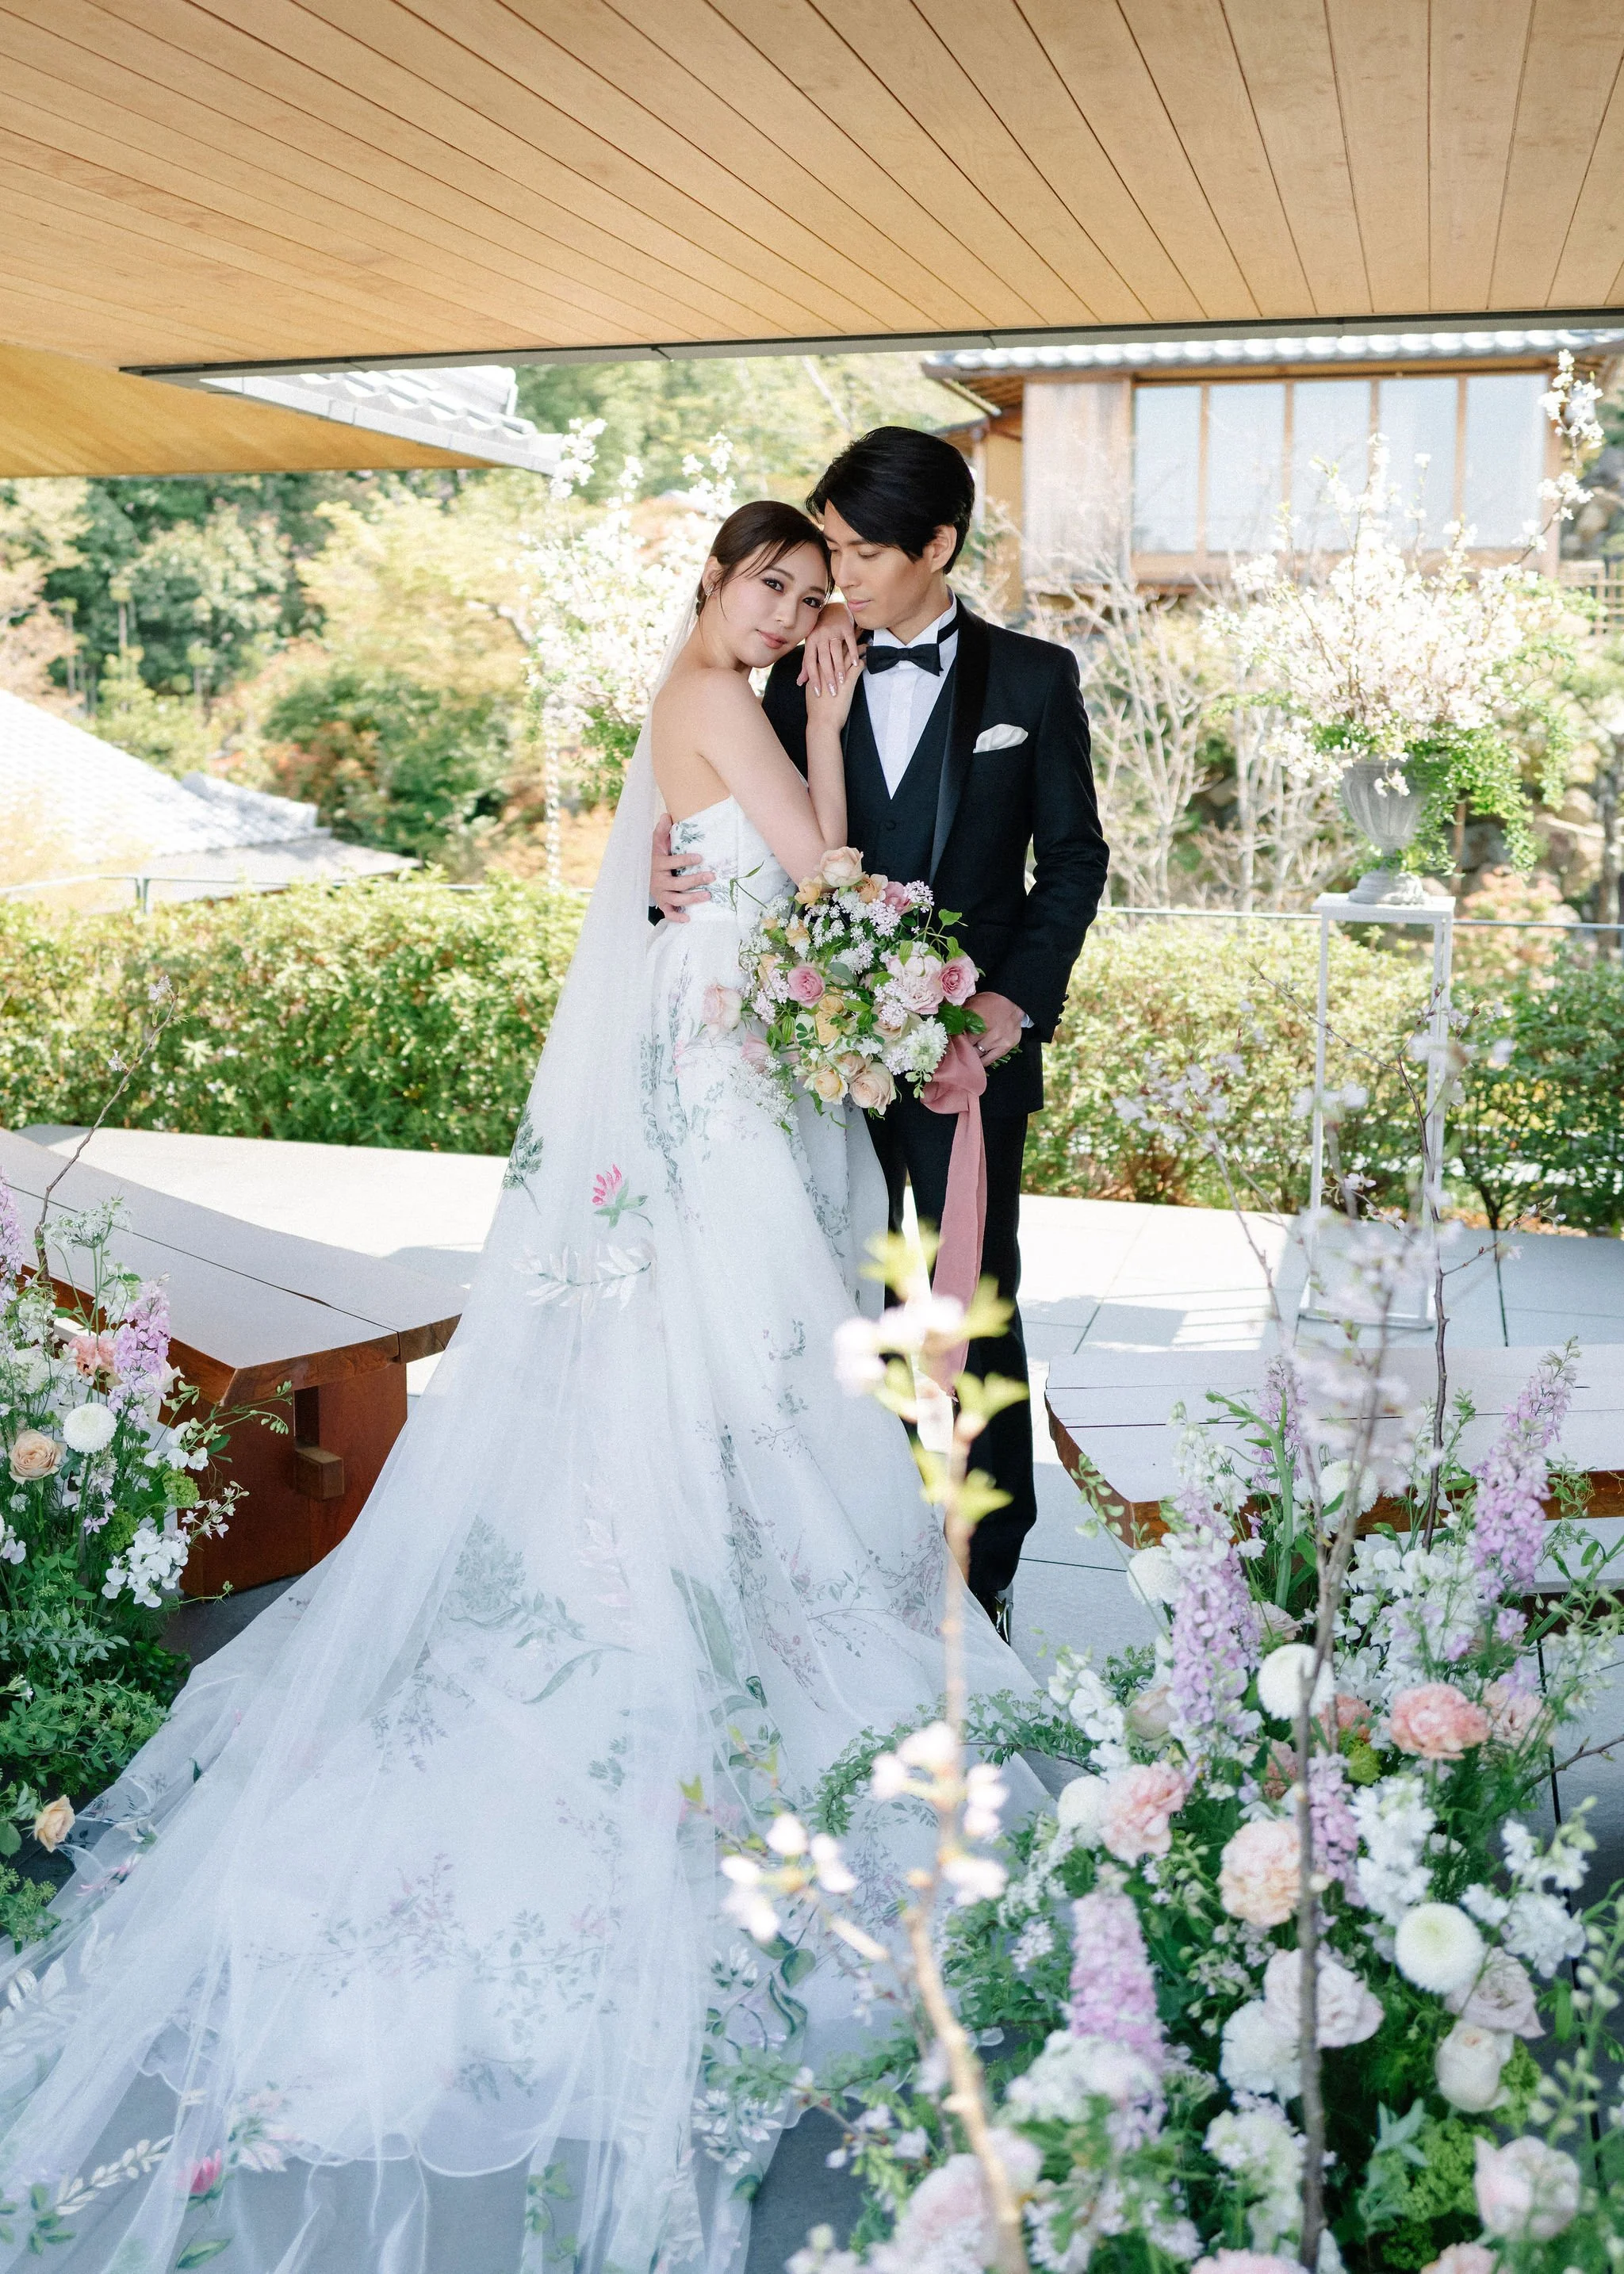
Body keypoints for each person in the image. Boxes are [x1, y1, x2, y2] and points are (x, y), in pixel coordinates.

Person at [0, 501, 1035, 2274]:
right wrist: (842, 804)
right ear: (711, 583)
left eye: (806, 599)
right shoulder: (716, 698)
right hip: (709, 1117)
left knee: (742, 1387)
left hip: (728, 1091)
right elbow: (836, 880)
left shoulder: (723, 704)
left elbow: (784, 878)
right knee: (738, 1380)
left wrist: (816, 791)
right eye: (769, 590)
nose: (789, 618)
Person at [653, 431, 1109, 1631]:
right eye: (828, 549)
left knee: (974, 1299)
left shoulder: (1031, 681)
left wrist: (1011, 1006)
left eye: (860, 552)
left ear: (938, 546)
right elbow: (724, 808)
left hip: (973, 1060)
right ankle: (860, 1545)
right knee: (832, 1298)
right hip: (812, 1066)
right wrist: (668, 872)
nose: (836, 574)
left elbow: (1073, 860)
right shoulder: (791, 662)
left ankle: (987, 1564)